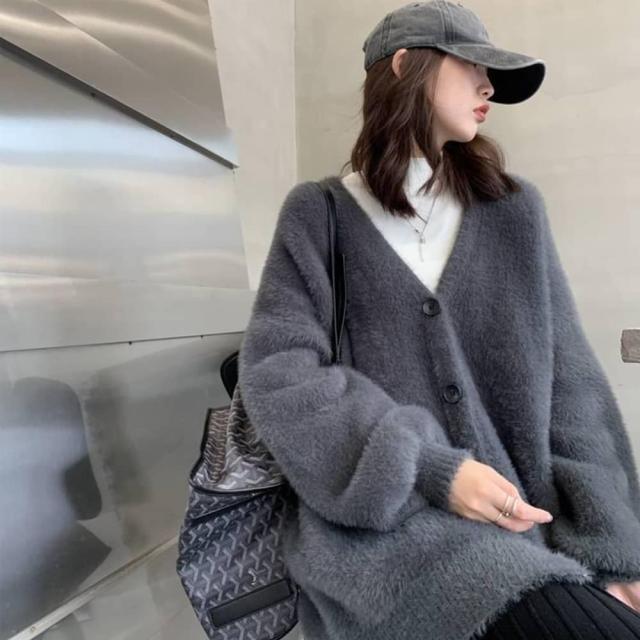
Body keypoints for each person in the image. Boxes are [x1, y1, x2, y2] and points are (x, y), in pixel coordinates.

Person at [238, 2, 640, 638]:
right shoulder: (320, 215)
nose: (488, 87)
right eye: (472, 66)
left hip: (524, 526)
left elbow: (572, 390)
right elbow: (278, 373)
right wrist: (429, 467)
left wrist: (615, 549)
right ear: (405, 66)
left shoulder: (514, 213)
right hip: (387, 535)